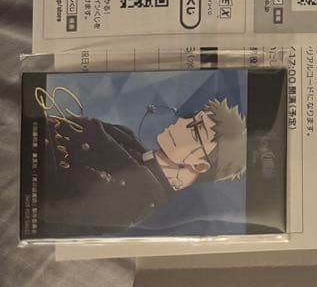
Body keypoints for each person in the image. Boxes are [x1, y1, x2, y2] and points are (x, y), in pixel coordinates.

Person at [39, 92, 246, 237]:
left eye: (195, 130)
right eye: (190, 118)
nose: (181, 122)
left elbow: (51, 210)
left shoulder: (140, 199)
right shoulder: (127, 137)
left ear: (200, 165)